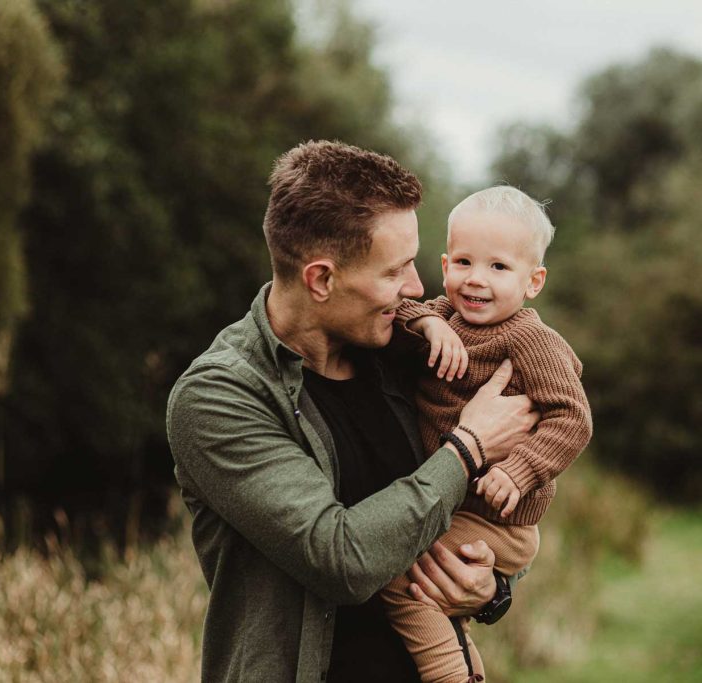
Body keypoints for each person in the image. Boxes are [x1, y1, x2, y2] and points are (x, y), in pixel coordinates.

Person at [166, 141, 539, 682]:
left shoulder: (404, 356)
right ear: (321, 279)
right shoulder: (219, 397)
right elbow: (342, 560)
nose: (416, 288)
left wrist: (492, 589)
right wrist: (468, 446)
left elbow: (491, 514)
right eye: (396, 271)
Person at [381, 186, 593, 682]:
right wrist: (432, 325)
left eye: (498, 268)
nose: (476, 280)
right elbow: (408, 312)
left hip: (501, 518)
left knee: (403, 580)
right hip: (460, 507)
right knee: (441, 596)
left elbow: (572, 418)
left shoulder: (529, 340)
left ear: (533, 280)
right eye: (463, 262)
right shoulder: (446, 316)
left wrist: (519, 472)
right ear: (444, 263)